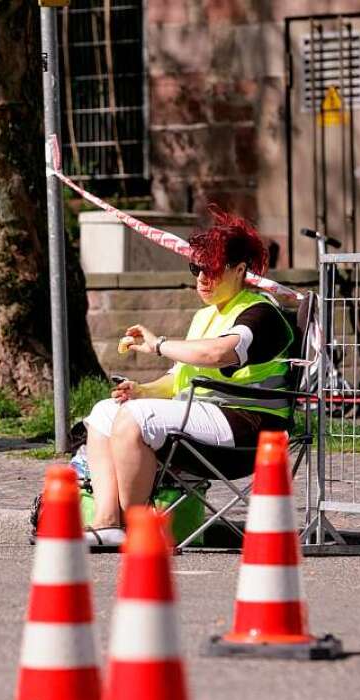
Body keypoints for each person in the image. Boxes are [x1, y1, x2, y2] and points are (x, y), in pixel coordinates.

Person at [83, 206, 294, 548]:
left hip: (251, 428)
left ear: (240, 270)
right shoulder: (204, 317)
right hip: (207, 415)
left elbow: (216, 355)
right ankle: (108, 522)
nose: (201, 279)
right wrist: (142, 389)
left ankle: (138, 531)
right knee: (104, 412)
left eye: (210, 270)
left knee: (137, 419)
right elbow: (179, 378)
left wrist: (159, 344)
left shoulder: (262, 313)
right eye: (195, 268)